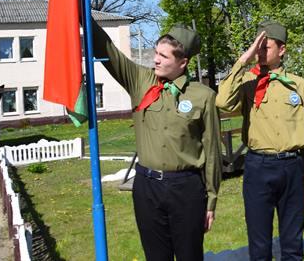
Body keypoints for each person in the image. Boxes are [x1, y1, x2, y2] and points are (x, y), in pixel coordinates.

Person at [91, 19, 221, 261]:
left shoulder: (203, 96)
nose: (155, 59)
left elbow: (212, 152)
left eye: (164, 56)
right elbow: (106, 48)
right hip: (147, 187)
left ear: (183, 63)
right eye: (156, 52)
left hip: (187, 189)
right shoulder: (141, 81)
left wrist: (211, 200)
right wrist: (81, 11)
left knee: (189, 256)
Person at [216, 20, 304, 261]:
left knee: (292, 244)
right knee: (259, 245)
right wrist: (244, 60)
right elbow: (222, 102)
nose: (260, 52)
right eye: (258, 47)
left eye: (266, 47)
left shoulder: (298, 84)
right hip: (258, 167)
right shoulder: (248, 82)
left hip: (292, 167)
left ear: (282, 50)